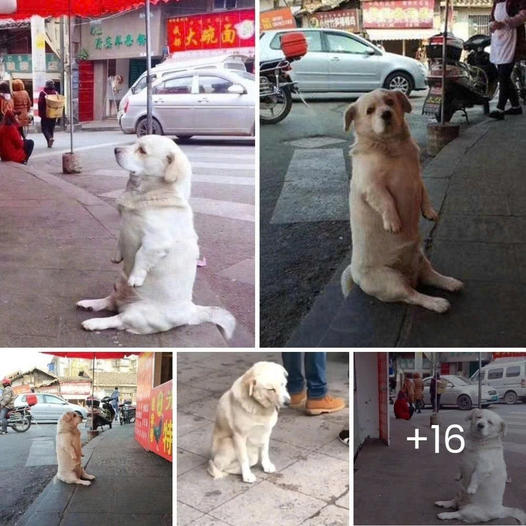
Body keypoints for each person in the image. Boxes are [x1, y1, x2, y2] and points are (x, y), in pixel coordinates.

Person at [488, 0, 526, 119]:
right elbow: (491, 19)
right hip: (499, 41)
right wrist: (492, 25)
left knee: (503, 75)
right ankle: (516, 107)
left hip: (512, 41)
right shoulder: (496, 2)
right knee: (503, 76)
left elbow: (523, 15)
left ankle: (500, 108)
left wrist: (505, 23)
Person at [38, 80, 58, 147]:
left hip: (45, 114)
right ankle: (50, 142)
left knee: (44, 128)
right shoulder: (55, 93)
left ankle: (49, 138)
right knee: (51, 128)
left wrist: (40, 113)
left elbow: (40, 103)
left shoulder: (43, 93)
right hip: (53, 114)